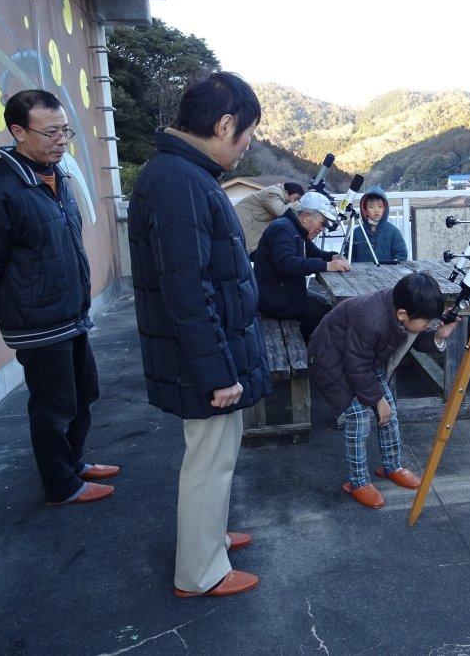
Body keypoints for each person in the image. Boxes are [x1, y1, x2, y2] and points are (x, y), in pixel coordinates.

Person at [127, 72, 272, 598]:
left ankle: (208, 540)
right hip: (203, 360)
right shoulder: (179, 182)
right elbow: (186, 288)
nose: (249, 144)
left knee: (216, 458)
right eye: (248, 134)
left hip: (208, 353)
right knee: (208, 464)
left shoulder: (183, 175)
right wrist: (216, 371)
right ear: (225, 123)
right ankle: (200, 571)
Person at [0, 90, 116, 507]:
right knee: (53, 405)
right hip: (39, 323)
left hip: (70, 314)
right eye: (51, 131)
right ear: (18, 132)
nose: (62, 140)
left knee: (83, 393)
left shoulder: (55, 177)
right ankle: (61, 486)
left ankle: (74, 464)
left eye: (65, 130)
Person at [307, 272, 458, 508]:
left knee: (391, 412)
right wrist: (377, 400)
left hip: (361, 360)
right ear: (402, 315)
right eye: (427, 322)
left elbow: (413, 336)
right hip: (330, 360)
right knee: (359, 418)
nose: (428, 325)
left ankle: (392, 466)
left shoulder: (402, 309)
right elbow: (355, 364)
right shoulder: (371, 318)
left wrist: (439, 334)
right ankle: (358, 482)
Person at [254, 191, 351, 342]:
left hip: (281, 293)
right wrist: (328, 265)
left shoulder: (295, 229)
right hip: (275, 300)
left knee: (324, 304)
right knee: (326, 311)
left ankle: (311, 347)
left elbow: (315, 253)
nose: (323, 228)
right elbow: (286, 264)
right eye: (322, 222)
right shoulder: (284, 229)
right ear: (306, 216)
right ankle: (310, 352)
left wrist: (332, 256)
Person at [233, 181, 305, 257]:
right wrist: (297, 204)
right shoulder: (273, 193)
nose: (296, 201)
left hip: (250, 224)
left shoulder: (281, 197)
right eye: (296, 198)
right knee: (237, 251)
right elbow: (280, 212)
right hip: (242, 222)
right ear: (287, 192)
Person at [342, 186, 408, 263]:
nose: (376, 210)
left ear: (385, 209)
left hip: (388, 274)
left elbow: (401, 255)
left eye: (380, 206)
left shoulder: (394, 232)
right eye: (371, 207)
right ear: (365, 210)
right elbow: (349, 256)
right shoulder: (356, 233)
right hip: (361, 273)